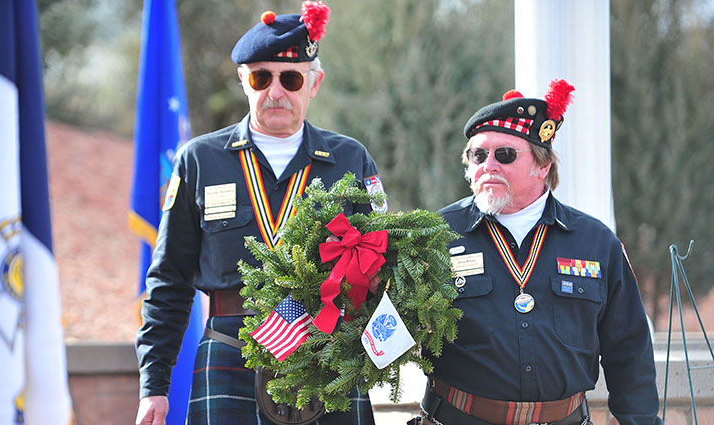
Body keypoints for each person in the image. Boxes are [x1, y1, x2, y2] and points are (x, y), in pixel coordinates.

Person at [135, 2, 385, 424]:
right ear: (243, 82)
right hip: (229, 349)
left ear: (314, 82)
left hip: (326, 356)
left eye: (290, 78)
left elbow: (384, 262)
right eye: (260, 77)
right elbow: (169, 279)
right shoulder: (199, 159)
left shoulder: (351, 159)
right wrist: (154, 386)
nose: (275, 91)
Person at [413, 80, 663, 425]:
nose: (488, 165)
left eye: (505, 154)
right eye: (478, 155)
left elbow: (629, 350)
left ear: (543, 166)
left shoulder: (595, 243)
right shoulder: (434, 235)